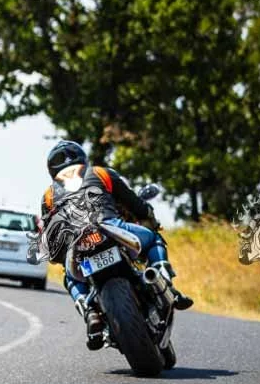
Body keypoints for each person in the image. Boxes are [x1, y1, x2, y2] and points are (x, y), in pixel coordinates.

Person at [38, 140, 193, 349]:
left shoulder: (48, 197)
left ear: (52, 169)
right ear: (82, 157)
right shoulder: (101, 173)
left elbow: (52, 242)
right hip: (109, 227)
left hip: (78, 245)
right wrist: (149, 217)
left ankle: (90, 312)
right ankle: (166, 281)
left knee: (70, 277)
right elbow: (135, 204)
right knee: (153, 238)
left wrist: (61, 257)